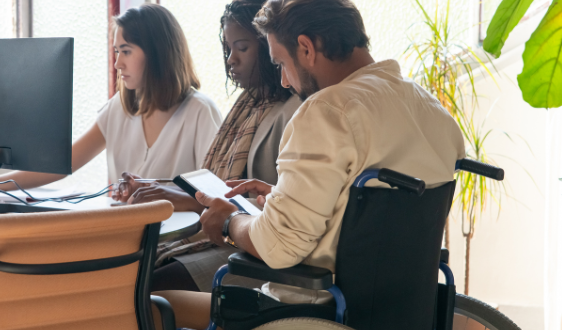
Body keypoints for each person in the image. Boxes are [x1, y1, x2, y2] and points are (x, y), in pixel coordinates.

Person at [152, 0, 465, 327]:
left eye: (281, 63)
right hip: (397, 313)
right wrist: (283, 196)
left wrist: (231, 220)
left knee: (152, 303)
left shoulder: (328, 110)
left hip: (309, 313)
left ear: (305, 48)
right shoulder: (435, 114)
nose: (284, 81)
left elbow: (279, 247)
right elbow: (369, 219)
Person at [115, 0, 302, 293]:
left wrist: (188, 199)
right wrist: (162, 188)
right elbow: (219, 185)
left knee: (144, 286)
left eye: (242, 48)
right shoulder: (249, 105)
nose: (231, 60)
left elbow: (279, 211)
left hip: (255, 250)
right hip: (233, 236)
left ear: (270, 46)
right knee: (131, 272)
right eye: (227, 49)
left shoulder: (292, 112)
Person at [0, 4, 222, 191]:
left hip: (172, 245)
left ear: (158, 52)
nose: (117, 64)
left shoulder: (199, 112)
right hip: (125, 238)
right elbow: (63, 165)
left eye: (126, 51)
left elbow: (214, 194)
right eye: (116, 52)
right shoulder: (120, 109)